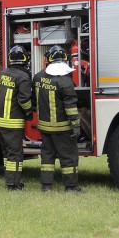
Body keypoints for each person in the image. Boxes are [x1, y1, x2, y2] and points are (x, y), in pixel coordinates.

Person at [32, 45, 82, 193]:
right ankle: (71, 187)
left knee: (47, 156)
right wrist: (76, 126)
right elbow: (70, 107)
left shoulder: (38, 77)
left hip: (44, 127)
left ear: (49, 59)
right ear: (65, 59)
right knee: (68, 157)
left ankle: (46, 186)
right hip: (62, 128)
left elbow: (34, 100)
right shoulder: (66, 82)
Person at [0, 45, 33, 190]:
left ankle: (9, 179)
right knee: (15, 154)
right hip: (13, 122)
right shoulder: (23, 77)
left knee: (7, 153)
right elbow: (24, 100)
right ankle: (13, 184)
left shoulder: (2, 74)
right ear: (25, 59)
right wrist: (29, 112)